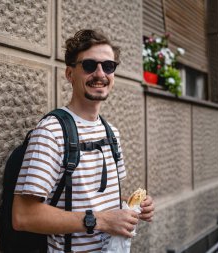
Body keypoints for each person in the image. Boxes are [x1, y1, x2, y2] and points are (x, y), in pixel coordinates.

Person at [12, 29, 155, 252]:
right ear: (70, 74)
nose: (100, 74)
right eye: (89, 65)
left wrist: (131, 206)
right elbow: (23, 216)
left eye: (108, 66)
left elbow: (97, 200)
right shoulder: (51, 132)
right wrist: (103, 221)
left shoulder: (111, 134)